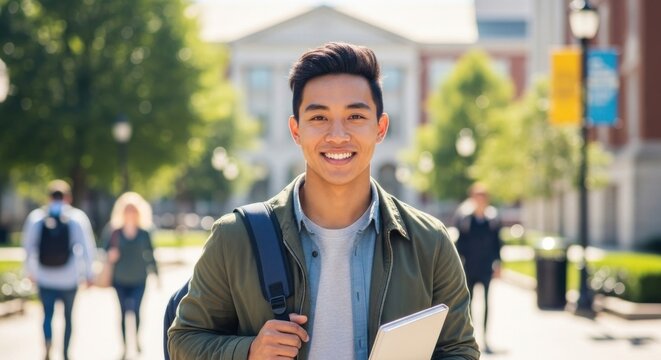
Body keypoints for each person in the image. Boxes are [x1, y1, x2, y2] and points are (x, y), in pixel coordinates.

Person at [168, 42, 479, 360]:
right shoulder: (235, 236)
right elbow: (183, 341)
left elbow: (459, 349)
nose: (338, 135)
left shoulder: (430, 242)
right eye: (319, 118)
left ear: (380, 128)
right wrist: (249, 351)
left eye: (356, 116)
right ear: (296, 130)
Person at [22, 179, 97, 360]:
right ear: (68, 198)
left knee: (47, 315)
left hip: (45, 277)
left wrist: (29, 272)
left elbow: (27, 247)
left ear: (49, 197)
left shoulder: (37, 217)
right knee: (68, 318)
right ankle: (65, 352)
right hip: (69, 278)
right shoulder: (77, 218)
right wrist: (89, 274)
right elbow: (87, 248)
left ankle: (48, 343)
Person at [104, 191, 159, 359]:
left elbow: (151, 254)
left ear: (139, 211)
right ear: (121, 211)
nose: (130, 213)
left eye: (133, 210)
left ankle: (136, 338)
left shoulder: (145, 232)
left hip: (139, 278)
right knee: (122, 313)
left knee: (136, 310)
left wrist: (157, 275)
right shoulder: (114, 232)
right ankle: (125, 346)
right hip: (120, 279)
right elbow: (105, 249)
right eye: (127, 209)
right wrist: (110, 255)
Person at [454, 183, 503, 354]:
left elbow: (498, 244)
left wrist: (498, 264)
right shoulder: (465, 219)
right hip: (469, 268)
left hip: (486, 267)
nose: (480, 200)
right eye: (477, 196)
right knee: (468, 304)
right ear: (472, 198)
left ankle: (486, 337)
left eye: (483, 196)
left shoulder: (493, 220)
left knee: (487, 303)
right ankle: (470, 337)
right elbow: (459, 244)